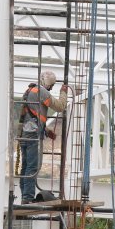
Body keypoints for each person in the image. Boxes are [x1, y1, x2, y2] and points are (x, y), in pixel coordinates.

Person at [17, 70, 69, 204]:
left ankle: (25, 196)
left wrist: (45, 130)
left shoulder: (30, 91)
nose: (51, 88)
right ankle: (28, 198)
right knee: (33, 167)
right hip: (33, 135)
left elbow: (32, 116)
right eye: (52, 86)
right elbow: (60, 106)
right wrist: (63, 92)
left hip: (25, 133)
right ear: (48, 84)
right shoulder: (42, 92)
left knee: (26, 166)